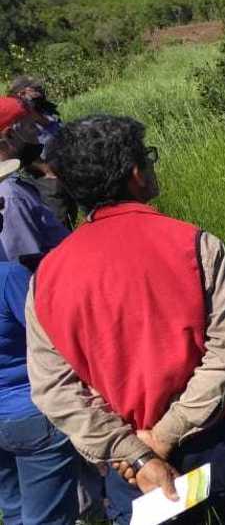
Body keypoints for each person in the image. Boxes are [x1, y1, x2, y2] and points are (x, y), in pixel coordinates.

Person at [26, 115, 225, 524]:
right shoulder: (195, 245)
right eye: (147, 157)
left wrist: (135, 452)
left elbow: (55, 389)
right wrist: (163, 436)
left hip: (133, 467)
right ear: (135, 173)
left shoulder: (46, 279)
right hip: (223, 438)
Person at [0, 159, 80, 525]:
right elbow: (55, 337)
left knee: (14, 509)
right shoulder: (10, 278)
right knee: (47, 517)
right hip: (31, 410)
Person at [0, 97, 69, 270]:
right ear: (9, 134)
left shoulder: (13, 186)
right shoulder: (9, 195)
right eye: (31, 126)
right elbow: (25, 268)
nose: (38, 133)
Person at [8, 77, 75, 229]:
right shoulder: (17, 117)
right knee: (59, 219)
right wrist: (47, 171)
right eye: (36, 89)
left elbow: (54, 127)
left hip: (65, 168)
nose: (40, 92)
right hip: (46, 176)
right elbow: (22, 150)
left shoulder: (41, 109)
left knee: (71, 210)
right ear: (22, 93)